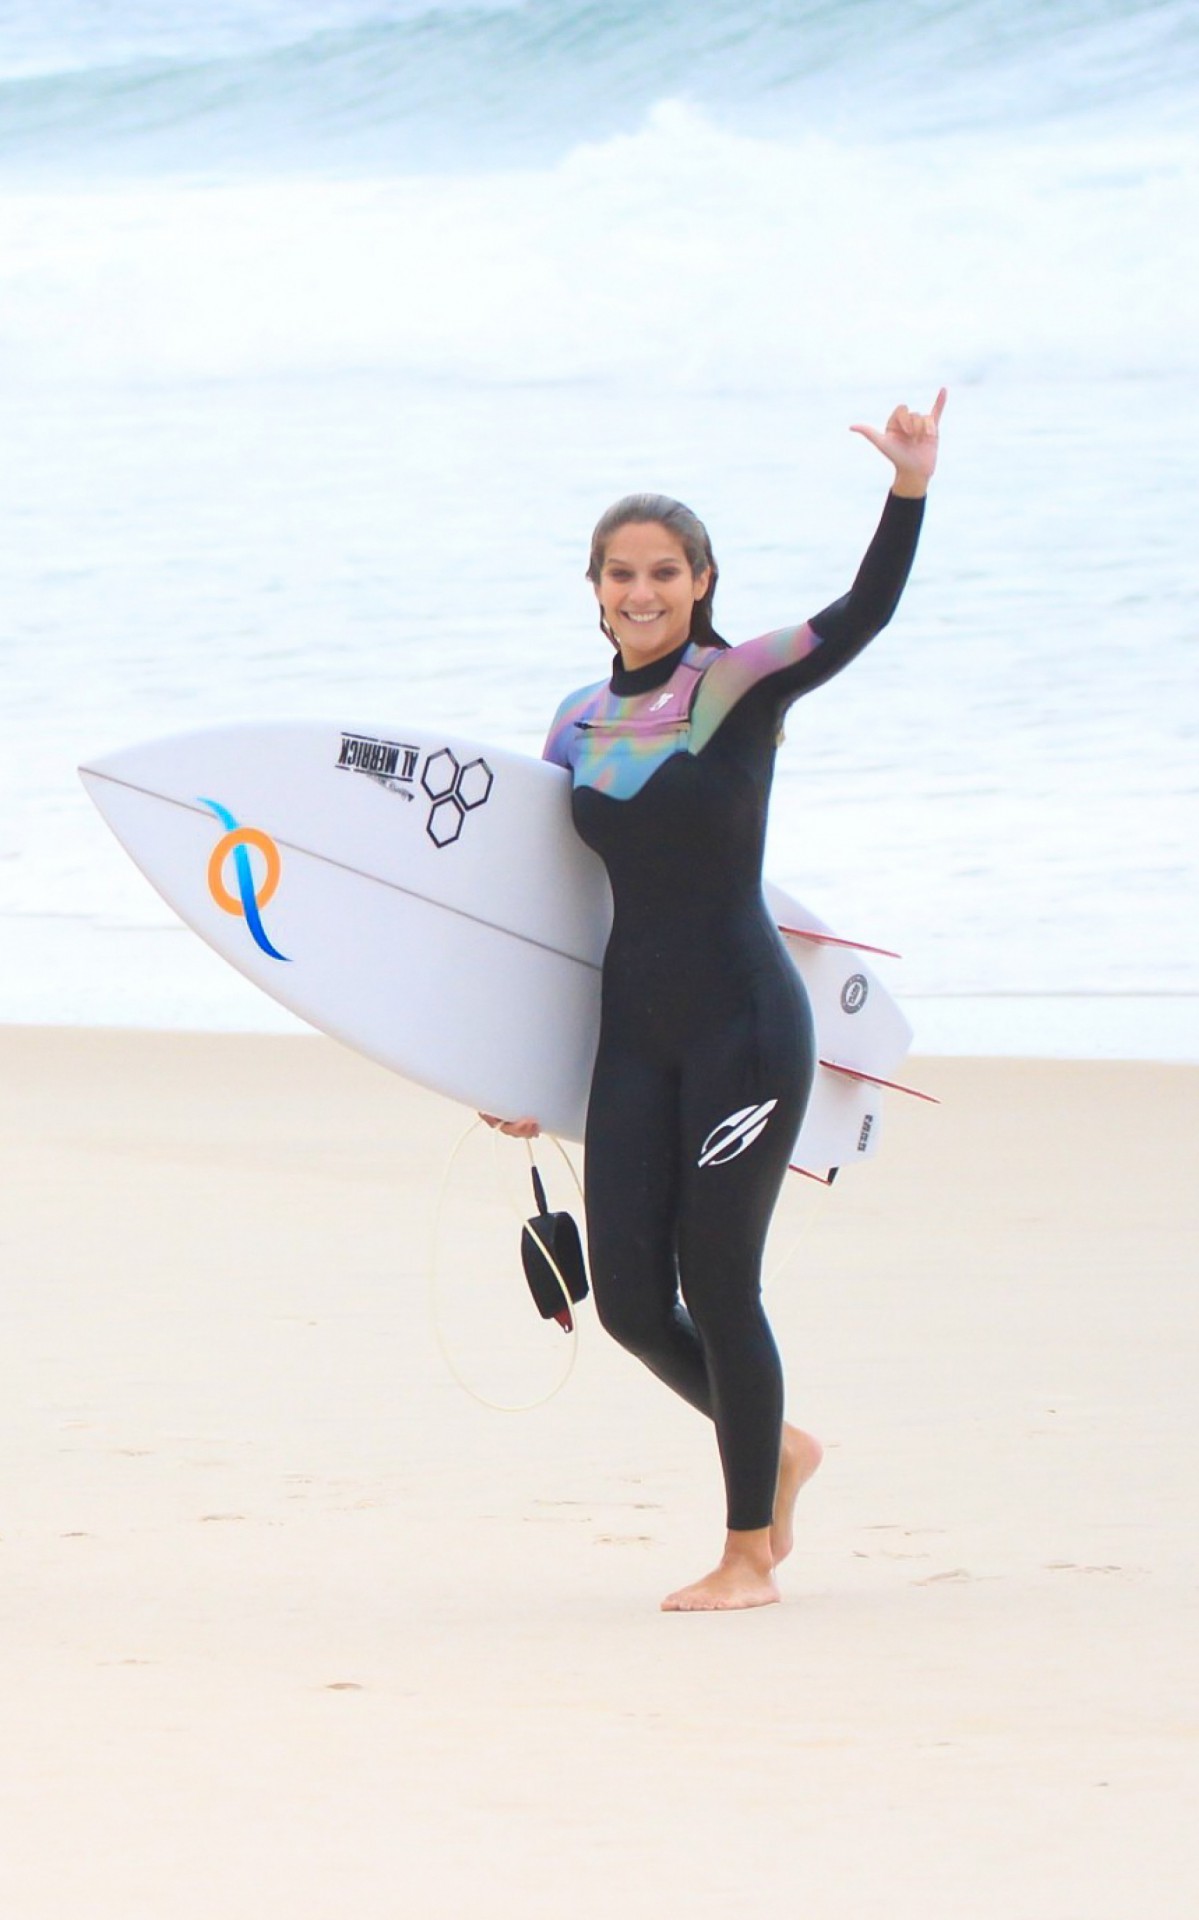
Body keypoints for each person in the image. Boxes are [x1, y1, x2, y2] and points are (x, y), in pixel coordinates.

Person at [484, 390, 945, 1610]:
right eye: (619, 574)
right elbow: (538, 914)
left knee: (718, 1277)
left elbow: (862, 616)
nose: (641, 591)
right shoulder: (573, 724)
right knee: (632, 1301)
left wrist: (905, 488)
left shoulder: (736, 685)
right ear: (592, 589)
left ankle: (749, 1552)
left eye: (664, 573)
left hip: (745, 1027)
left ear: (699, 581)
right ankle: (781, 1446)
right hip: (632, 1033)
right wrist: (511, 1071)